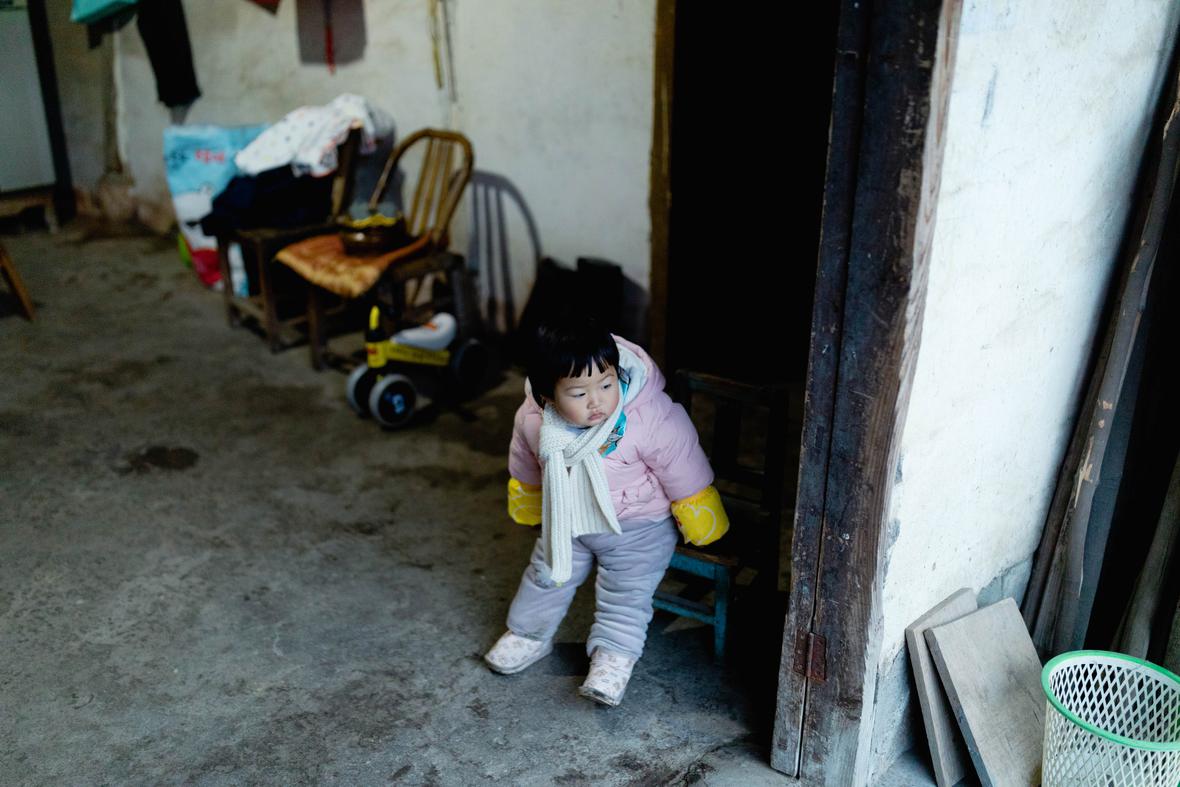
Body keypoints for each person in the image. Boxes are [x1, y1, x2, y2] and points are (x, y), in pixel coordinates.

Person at [483, 317, 730, 706]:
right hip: (568, 518)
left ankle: (614, 655)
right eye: (579, 393)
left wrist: (696, 504)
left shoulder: (647, 415)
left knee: (627, 591)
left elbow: (681, 459)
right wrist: (528, 494)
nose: (597, 401)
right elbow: (526, 460)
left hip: (638, 525)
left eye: (606, 384)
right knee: (547, 574)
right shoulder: (533, 419)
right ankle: (528, 633)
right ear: (547, 396)